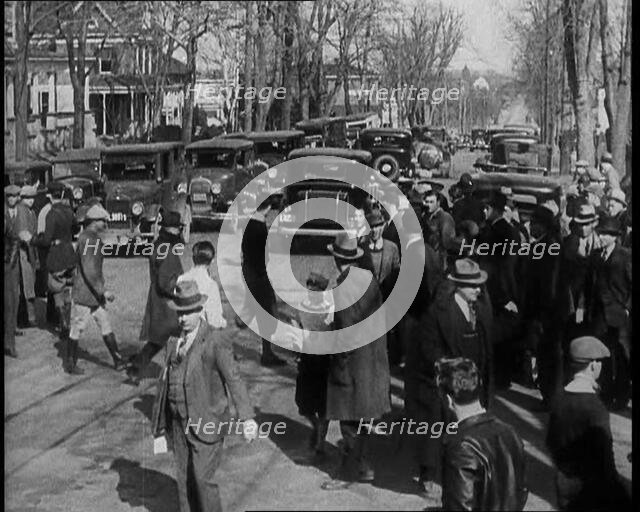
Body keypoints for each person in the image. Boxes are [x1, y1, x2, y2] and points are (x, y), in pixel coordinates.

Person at [151, 280, 258, 512]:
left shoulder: (215, 340)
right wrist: (160, 424)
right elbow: (165, 382)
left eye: (188, 313)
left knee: (202, 479)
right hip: (179, 422)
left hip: (207, 421)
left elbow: (234, 379)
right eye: (180, 313)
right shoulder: (173, 341)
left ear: (199, 310)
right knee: (184, 479)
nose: (183, 318)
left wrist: (247, 418)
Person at [406, 258, 493, 498]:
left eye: (479, 285)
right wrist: (450, 372)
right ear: (458, 286)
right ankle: (428, 474)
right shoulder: (437, 312)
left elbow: (486, 344)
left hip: (474, 378)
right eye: (472, 285)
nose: (478, 289)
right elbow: (428, 350)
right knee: (437, 429)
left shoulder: (481, 307)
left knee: (470, 428)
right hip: (443, 381)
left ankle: (465, 472)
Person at [321, 232, 390, 490]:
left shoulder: (343, 288)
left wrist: (337, 365)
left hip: (352, 364)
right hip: (372, 358)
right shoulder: (368, 279)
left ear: (336, 258)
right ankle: (364, 465)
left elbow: (345, 333)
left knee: (348, 420)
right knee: (362, 418)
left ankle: (347, 473)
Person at [546, 336, 630, 510]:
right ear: (593, 366)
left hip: (564, 484)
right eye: (599, 363)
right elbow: (606, 461)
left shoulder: (558, 400)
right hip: (591, 492)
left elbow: (551, 442)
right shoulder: (595, 409)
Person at [438, 357, 528, 511]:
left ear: (447, 399)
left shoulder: (462, 447)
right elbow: (522, 490)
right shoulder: (510, 432)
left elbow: (460, 506)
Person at [129, 211, 185, 382]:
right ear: (173, 230)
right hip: (167, 301)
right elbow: (167, 280)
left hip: (158, 298)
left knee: (159, 338)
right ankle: (178, 375)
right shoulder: (167, 249)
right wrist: (182, 289)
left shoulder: (159, 244)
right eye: (178, 229)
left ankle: (137, 365)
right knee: (180, 335)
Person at [67, 204, 124, 374]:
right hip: (87, 293)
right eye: (102, 220)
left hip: (91, 293)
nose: (105, 223)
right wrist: (103, 291)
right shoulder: (90, 240)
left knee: (105, 324)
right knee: (77, 327)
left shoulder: (88, 237)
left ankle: (118, 360)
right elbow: (90, 269)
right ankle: (70, 364)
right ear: (93, 221)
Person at [587, 216, 631, 411]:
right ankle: (605, 395)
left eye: (607, 234)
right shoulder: (596, 256)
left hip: (620, 316)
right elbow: (589, 286)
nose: (602, 237)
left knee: (621, 359)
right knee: (602, 355)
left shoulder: (625, 256)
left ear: (615, 237)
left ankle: (621, 397)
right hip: (599, 315)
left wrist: (628, 308)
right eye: (601, 233)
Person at [479, 191, 522, 389]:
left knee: (497, 336)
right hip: (500, 289)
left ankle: (500, 377)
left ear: (496, 210)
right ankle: (500, 375)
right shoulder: (501, 229)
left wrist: (503, 296)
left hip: (498, 291)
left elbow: (502, 267)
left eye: (487, 208)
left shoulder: (500, 232)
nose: (483, 211)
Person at [237, 197, 286, 366]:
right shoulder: (259, 227)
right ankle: (266, 353)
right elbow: (263, 255)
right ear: (269, 207)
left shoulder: (250, 222)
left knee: (250, 312)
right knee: (269, 313)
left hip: (250, 271)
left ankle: (228, 344)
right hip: (258, 274)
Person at [522, 205, 563, 407]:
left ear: (542, 225)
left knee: (549, 355)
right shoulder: (543, 244)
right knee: (544, 354)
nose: (530, 227)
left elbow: (550, 284)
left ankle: (551, 398)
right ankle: (548, 395)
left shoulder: (549, 246)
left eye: (533, 223)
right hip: (542, 310)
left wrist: (542, 315)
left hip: (547, 312)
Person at [292, 273, 333, 461]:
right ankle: (316, 427)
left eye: (315, 292)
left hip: (325, 361)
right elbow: (295, 331)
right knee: (303, 403)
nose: (311, 295)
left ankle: (320, 445)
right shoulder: (301, 308)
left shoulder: (330, 309)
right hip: (307, 359)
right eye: (309, 291)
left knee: (324, 405)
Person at [33, 181, 77, 342]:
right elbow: (76, 228)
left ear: (49, 195)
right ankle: (68, 320)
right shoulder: (69, 211)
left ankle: (63, 322)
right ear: (63, 194)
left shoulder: (51, 213)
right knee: (68, 287)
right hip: (69, 252)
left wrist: (33, 240)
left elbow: (45, 240)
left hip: (56, 252)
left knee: (57, 287)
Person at [178, 241, 227, 330]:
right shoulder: (211, 285)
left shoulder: (181, 279)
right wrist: (224, 324)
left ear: (193, 258)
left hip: (183, 329)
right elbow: (214, 320)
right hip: (201, 333)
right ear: (212, 261)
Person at [15, 185, 39, 328]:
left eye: (32, 198)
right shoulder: (22, 211)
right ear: (22, 198)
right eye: (27, 198)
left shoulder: (31, 212)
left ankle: (27, 317)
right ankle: (27, 318)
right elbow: (24, 233)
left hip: (29, 251)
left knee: (27, 285)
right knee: (26, 286)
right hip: (22, 252)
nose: (30, 200)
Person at [424, 188, 456, 270]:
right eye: (426, 202)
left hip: (439, 260)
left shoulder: (445, 218)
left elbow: (447, 243)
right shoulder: (425, 216)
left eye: (431, 202)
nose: (428, 205)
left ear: (438, 203)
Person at [4, 198, 21, 357]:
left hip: (5, 268)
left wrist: (9, 262)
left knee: (8, 306)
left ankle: (9, 345)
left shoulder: (5, 221)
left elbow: (15, 239)